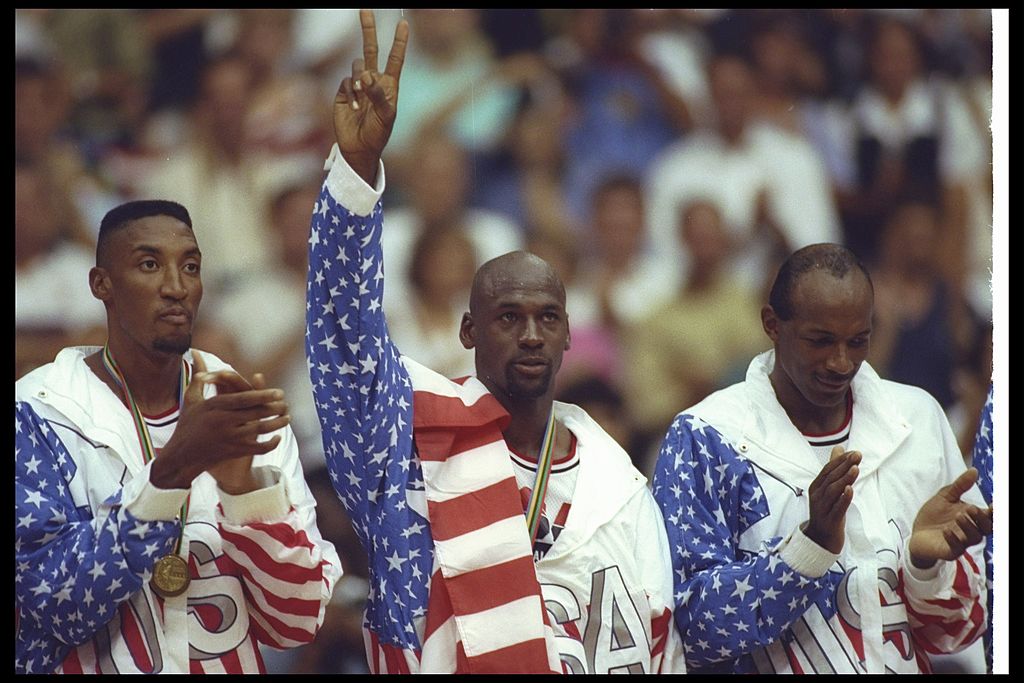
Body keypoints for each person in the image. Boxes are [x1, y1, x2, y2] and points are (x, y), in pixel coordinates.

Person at [304, 10, 683, 674]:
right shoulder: (413, 438)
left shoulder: (614, 475)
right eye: (508, 317)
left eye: (546, 317)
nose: (531, 333)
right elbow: (345, 342)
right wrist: (359, 171)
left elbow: (656, 637)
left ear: (570, 332)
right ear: (468, 330)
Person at [15, 199, 341, 673]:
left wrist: (244, 491)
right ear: (100, 284)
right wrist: (172, 472)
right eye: (149, 265)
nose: (176, 287)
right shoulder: (40, 409)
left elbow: (296, 620)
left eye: (190, 267)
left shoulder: (235, 405)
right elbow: (58, 608)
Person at [651, 243, 991, 673]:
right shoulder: (707, 435)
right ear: (771, 324)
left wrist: (925, 567)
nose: (841, 361)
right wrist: (808, 549)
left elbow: (960, 634)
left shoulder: (915, 420)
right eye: (820, 341)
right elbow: (693, 631)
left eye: (859, 340)